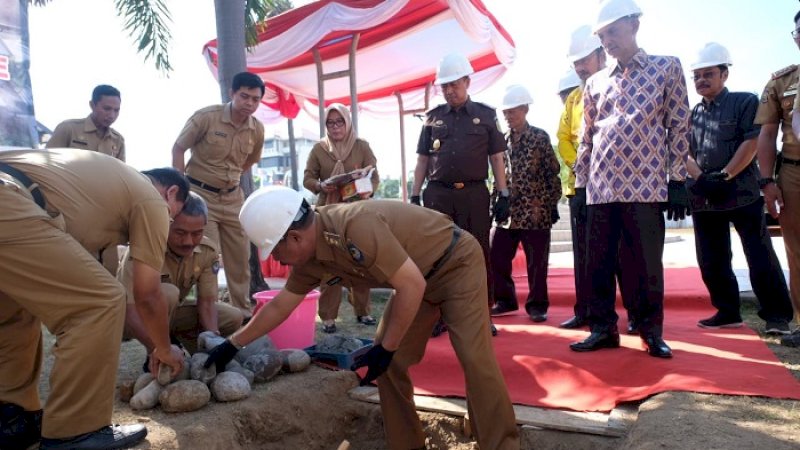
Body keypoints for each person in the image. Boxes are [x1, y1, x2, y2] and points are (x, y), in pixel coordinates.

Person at [203, 186, 519, 449]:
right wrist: (233, 344)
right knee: (390, 364)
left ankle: (500, 444)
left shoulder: (355, 226)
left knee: (474, 357)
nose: (277, 260)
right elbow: (281, 305)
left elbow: (410, 285)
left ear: (295, 238)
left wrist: (387, 347)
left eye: (275, 251)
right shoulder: (309, 258)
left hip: (454, 263)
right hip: (415, 280)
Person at [0, 148, 187, 449]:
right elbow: (147, 293)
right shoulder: (152, 199)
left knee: (15, 310)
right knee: (99, 303)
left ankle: (11, 418)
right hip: (10, 202)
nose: (167, 224)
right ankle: (75, 430)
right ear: (172, 193)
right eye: (173, 216)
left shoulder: (102, 185)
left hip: (11, 198)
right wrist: (164, 349)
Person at [570, 0, 691, 359]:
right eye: (602, 37)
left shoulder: (667, 67)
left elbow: (678, 124)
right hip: (601, 187)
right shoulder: (595, 82)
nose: (607, 41)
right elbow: (587, 137)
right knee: (598, 264)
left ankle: (651, 331)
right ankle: (602, 329)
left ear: (634, 25)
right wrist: (580, 185)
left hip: (646, 186)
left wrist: (678, 179)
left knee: (646, 265)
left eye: (613, 32)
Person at [686, 42, 794, 335]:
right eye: (697, 76)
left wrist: (724, 175)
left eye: (708, 74)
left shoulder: (745, 102)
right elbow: (684, 150)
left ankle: (777, 316)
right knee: (711, 259)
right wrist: (700, 179)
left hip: (741, 193)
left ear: (724, 74)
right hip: (704, 197)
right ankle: (727, 312)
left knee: (759, 256)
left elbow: (752, 141)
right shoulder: (692, 114)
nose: (701, 80)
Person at [410, 52, 510, 337]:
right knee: (437, 257)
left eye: (454, 84)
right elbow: (423, 160)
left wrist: (504, 193)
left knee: (478, 255)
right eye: (445, 86)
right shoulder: (432, 118)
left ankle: (482, 316)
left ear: (467, 81)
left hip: (474, 196)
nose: (449, 90)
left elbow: (497, 158)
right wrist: (415, 195)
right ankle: (438, 317)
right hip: (438, 197)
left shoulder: (486, 115)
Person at [557, 24, 640, 334]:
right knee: (585, 256)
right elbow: (563, 138)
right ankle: (586, 312)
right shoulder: (574, 99)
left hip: (616, 186)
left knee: (623, 254)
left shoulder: (620, 85)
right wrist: (582, 166)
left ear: (601, 56)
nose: (580, 67)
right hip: (581, 187)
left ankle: (635, 314)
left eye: (585, 60)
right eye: (576, 62)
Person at [172, 71, 266, 319]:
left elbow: (250, 161)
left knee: (240, 258)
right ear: (232, 93)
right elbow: (178, 148)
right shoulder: (206, 117)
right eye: (244, 96)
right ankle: (209, 313)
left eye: (255, 99)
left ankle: (242, 314)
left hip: (233, 198)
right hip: (201, 196)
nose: (249, 103)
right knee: (207, 255)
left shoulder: (256, 129)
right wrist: (180, 192)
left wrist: (229, 179)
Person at [119, 192, 244, 358]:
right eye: (180, 233)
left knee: (233, 316)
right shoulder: (144, 248)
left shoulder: (208, 251)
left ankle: (198, 354)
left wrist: (212, 339)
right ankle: (157, 356)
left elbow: (207, 303)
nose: (188, 242)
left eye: (196, 233)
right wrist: (160, 349)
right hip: (128, 319)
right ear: (166, 224)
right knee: (168, 293)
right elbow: (130, 311)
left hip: (169, 315)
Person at [303, 103, 380, 334]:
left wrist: (367, 188)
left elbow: (374, 175)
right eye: (330, 123)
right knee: (330, 262)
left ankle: (363, 311)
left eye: (339, 122)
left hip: (357, 210)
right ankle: (328, 317)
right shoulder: (319, 149)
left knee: (361, 260)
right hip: (328, 213)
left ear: (348, 122)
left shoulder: (361, 146)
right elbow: (308, 178)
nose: (335, 127)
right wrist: (320, 185)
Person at [488, 85, 561, 322]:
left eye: (513, 111)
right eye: (505, 112)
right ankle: (505, 300)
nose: (508, 116)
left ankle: (537, 305)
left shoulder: (540, 137)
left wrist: (552, 204)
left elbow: (552, 173)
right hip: (508, 213)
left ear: (525, 109)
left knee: (537, 263)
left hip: (536, 212)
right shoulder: (501, 141)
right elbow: (497, 175)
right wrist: (495, 204)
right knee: (496, 255)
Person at [757, 10, 800, 347]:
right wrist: (767, 182)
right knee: (796, 251)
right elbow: (768, 134)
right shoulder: (781, 82)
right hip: (793, 173)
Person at [46, 84, 126, 161]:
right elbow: (48, 162)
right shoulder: (68, 129)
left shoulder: (118, 140)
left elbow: (119, 170)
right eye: (107, 109)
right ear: (92, 105)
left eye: (116, 110)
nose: (112, 115)